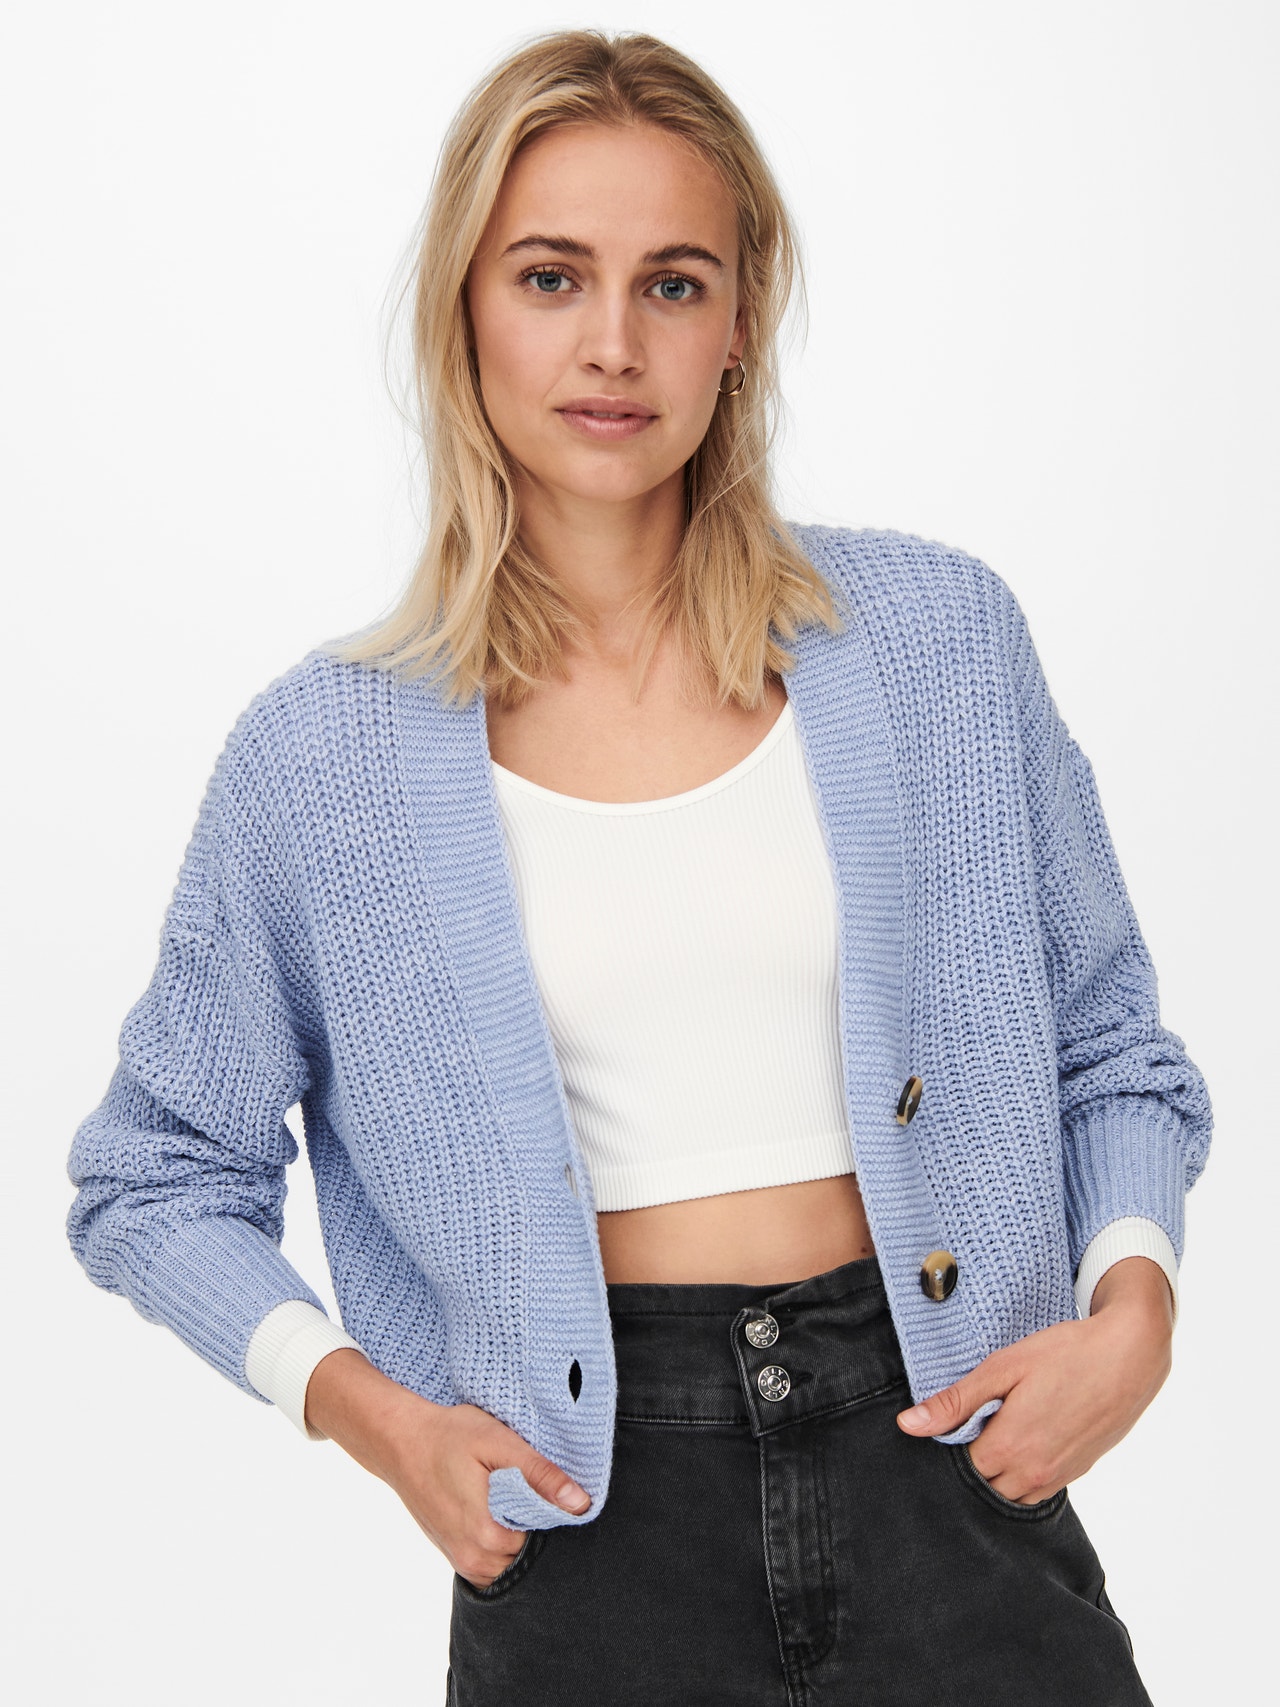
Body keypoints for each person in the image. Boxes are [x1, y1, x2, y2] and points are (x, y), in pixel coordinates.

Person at [65, 28, 1212, 1706]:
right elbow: (155, 1174)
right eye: (551, 278)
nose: (613, 343)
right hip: (591, 1529)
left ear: (740, 321)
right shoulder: (319, 763)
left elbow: (1109, 1047)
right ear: (464, 307)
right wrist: (377, 1421)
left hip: (951, 1458)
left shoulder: (938, 642)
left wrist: (1135, 1317)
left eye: (674, 283)